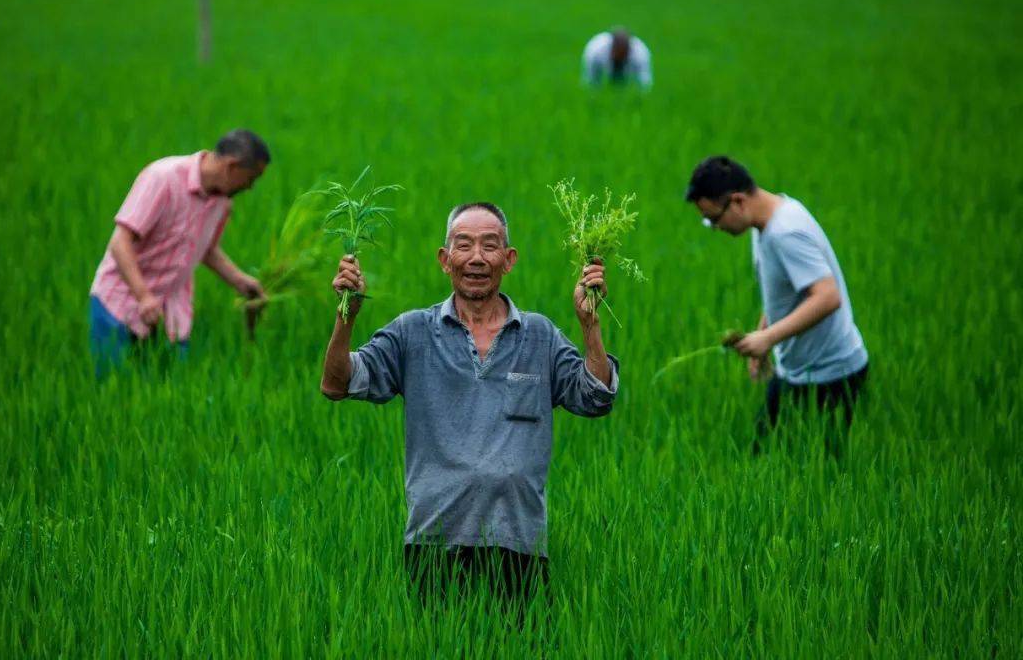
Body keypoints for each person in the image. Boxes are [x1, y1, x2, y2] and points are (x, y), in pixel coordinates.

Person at [320, 203, 620, 605]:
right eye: (464, 245)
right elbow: (336, 384)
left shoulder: (539, 335)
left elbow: (596, 397)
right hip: (433, 544)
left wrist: (590, 326)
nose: (477, 257)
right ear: (445, 260)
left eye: (490, 246)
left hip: (520, 546)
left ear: (508, 260)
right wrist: (346, 317)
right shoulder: (413, 332)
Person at [685, 156, 869, 454]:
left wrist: (767, 338)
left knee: (820, 473)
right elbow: (783, 293)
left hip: (832, 376)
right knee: (762, 461)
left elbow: (827, 296)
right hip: (796, 370)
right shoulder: (765, 223)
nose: (715, 227)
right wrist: (763, 337)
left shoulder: (786, 232)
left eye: (714, 218)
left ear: (738, 201)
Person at [88, 129, 270, 377]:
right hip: (120, 305)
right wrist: (143, 296)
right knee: (115, 394)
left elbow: (205, 249)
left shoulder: (222, 201)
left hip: (171, 313)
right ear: (232, 166)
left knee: (168, 396)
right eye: (250, 179)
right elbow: (120, 242)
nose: (249, 187)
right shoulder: (163, 178)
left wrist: (239, 281)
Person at [581, 27, 652, 88]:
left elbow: (644, 82)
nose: (620, 55)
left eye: (623, 53)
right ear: (612, 47)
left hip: (628, 72)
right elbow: (590, 79)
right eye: (618, 52)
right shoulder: (595, 50)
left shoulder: (640, 54)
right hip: (601, 67)